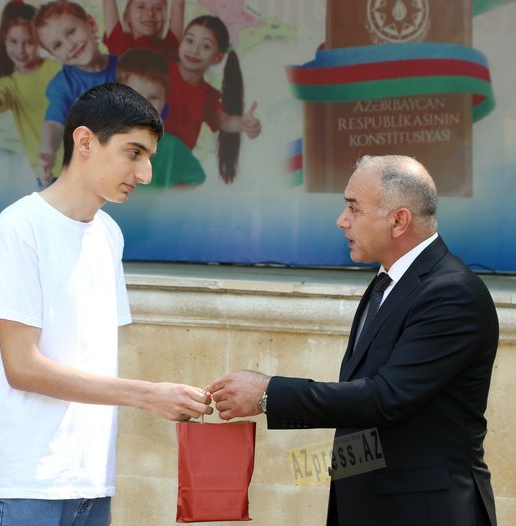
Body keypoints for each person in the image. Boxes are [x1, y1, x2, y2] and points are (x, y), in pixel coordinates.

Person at [209, 155, 499, 526]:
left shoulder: (452, 293)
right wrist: (324, 471)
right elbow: (373, 408)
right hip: (371, 502)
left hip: (425, 511)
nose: (341, 220)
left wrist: (268, 394)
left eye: (353, 208)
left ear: (398, 221)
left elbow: (387, 398)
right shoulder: (388, 281)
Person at [0, 83, 212, 525]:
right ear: (84, 142)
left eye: (149, 158)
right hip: (24, 486)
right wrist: (149, 395)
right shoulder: (18, 230)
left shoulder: (108, 234)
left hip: (91, 484)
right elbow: (22, 367)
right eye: (134, 153)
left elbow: (87, 359)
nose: (145, 174)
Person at [0, 0, 62, 181]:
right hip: (47, 172)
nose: (20, 50)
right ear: (4, 39)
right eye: (13, 41)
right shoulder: (8, 84)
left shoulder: (58, 69)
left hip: (78, 166)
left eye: (28, 42)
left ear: (39, 40)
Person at [164, 15, 261, 183]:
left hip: (174, 170)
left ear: (218, 58)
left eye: (206, 46)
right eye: (190, 41)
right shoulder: (159, 72)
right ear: (181, 43)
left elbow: (225, 121)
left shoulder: (208, 94)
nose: (194, 50)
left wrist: (243, 124)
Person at [33, 0, 119, 187]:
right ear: (53, 55)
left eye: (71, 32)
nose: (70, 45)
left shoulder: (126, 67)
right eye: (58, 45)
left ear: (91, 24)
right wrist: (48, 152)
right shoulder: (62, 85)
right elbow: (54, 122)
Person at [116, 47, 206, 189]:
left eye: (153, 97)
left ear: (164, 101)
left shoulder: (172, 147)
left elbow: (196, 179)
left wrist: (167, 199)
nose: (144, 106)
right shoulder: (103, 141)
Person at [102, 0, 183, 61]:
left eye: (158, 8)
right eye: (141, 7)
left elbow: (179, 4)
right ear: (127, 15)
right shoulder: (119, 44)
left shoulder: (169, 47)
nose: (150, 13)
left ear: (164, 18)